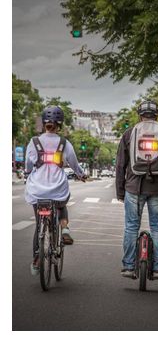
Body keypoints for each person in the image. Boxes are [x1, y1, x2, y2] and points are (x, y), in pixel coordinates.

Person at [115, 100, 158, 279]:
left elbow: (120, 165)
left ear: (140, 115)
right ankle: (157, 269)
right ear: (157, 115)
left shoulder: (129, 134)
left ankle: (128, 267)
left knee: (131, 227)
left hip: (134, 187)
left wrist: (120, 191)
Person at [25, 106, 87, 275]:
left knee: (39, 225)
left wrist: (27, 173)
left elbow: (28, 165)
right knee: (61, 204)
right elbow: (74, 163)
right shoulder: (64, 143)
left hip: (37, 190)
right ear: (60, 124)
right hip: (57, 188)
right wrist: (81, 175)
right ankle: (65, 228)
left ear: (43, 123)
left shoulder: (34, 142)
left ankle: (37, 260)